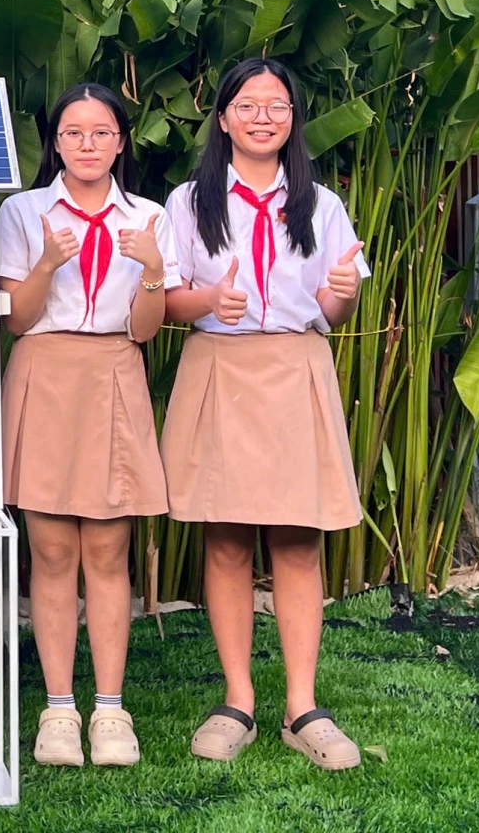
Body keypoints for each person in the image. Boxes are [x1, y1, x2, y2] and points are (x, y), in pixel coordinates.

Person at [160, 57, 369, 772]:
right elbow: (166, 299)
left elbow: (337, 306)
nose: (262, 117)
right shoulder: (189, 202)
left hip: (294, 367)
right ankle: (239, 700)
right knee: (224, 538)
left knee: (297, 542)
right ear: (223, 118)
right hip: (219, 368)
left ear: (292, 121)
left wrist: (343, 291)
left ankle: (302, 707)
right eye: (247, 104)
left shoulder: (322, 204)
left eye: (276, 106)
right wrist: (204, 302)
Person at [0, 83, 175, 769]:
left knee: (107, 550)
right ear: (56, 143)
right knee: (49, 553)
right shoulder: (25, 211)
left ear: (121, 143)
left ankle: (110, 709)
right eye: (74, 133)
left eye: (102, 133)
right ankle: (58, 710)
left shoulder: (150, 217)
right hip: (44, 368)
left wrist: (154, 272)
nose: (88, 145)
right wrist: (47, 261)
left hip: (114, 370)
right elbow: (17, 317)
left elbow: (144, 330)